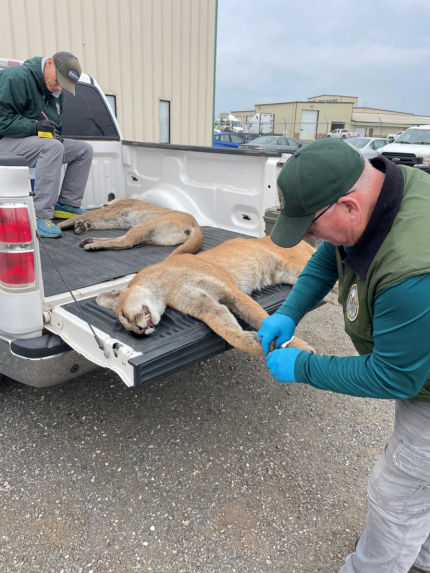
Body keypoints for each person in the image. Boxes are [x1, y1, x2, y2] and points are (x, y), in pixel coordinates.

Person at [257, 138, 430, 573]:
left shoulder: (411, 271)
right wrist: (289, 313)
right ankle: (419, 550)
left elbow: (394, 377)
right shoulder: (384, 191)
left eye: (310, 226)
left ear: (349, 207)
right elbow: (327, 258)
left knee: (398, 491)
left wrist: (304, 366)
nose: (309, 237)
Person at [0, 51, 93, 238]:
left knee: (83, 150)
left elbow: (54, 124)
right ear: (49, 63)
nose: (59, 88)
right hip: (5, 143)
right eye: (58, 81)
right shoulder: (16, 77)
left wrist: (54, 133)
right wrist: (34, 126)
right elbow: (2, 120)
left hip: (30, 141)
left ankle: (67, 204)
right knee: (52, 148)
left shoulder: (56, 92)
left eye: (64, 86)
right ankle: (39, 215)